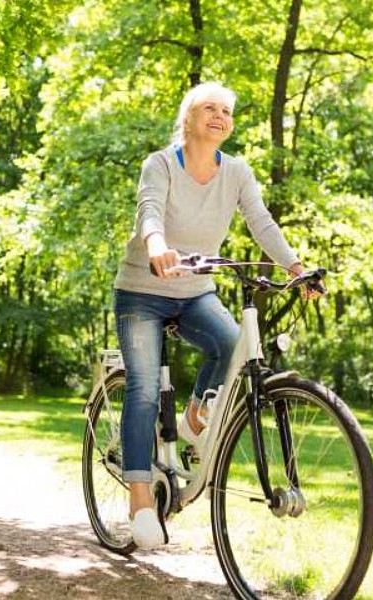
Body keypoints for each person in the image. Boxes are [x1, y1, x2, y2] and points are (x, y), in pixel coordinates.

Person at [113, 81, 318, 549]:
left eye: (227, 110)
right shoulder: (160, 163)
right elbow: (150, 210)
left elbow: (260, 221)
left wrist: (296, 267)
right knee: (144, 387)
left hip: (195, 290)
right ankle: (141, 502)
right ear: (188, 117)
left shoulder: (238, 172)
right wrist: (157, 245)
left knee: (232, 345)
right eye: (210, 108)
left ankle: (193, 416)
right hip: (142, 291)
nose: (220, 116)